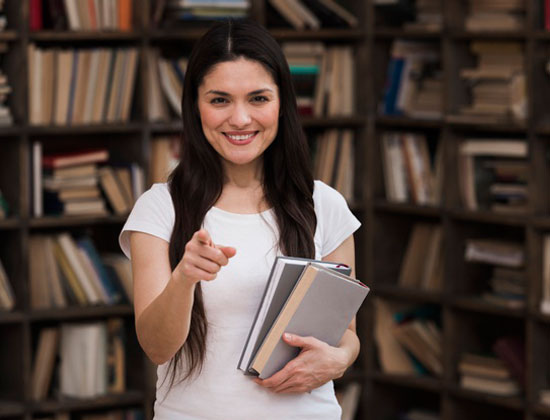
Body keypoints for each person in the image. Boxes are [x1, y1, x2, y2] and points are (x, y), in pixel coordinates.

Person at [119, 19, 361, 420]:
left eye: (258, 99)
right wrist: (184, 277)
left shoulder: (324, 205)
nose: (241, 119)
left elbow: (347, 335)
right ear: (195, 107)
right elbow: (156, 348)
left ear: (282, 103)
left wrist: (339, 361)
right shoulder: (161, 208)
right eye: (219, 100)